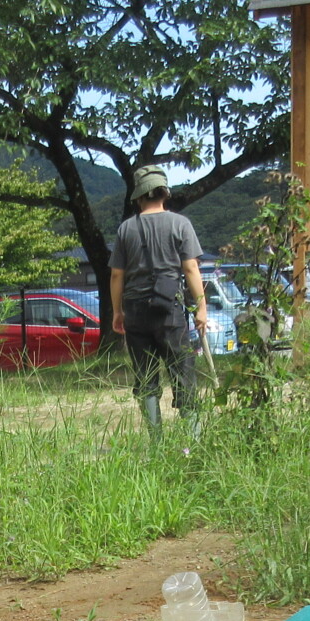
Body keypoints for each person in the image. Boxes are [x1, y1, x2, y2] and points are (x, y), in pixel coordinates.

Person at [109, 166, 212, 443]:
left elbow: (117, 275)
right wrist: (201, 308)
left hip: (135, 310)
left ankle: (156, 442)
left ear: (138, 196)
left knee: (145, 375)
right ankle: (193, 442)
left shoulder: (126, 229)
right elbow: (190, 268)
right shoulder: (180, 224)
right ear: (165, 193)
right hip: (170, 310)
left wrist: (117, 311)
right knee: (182, 371)